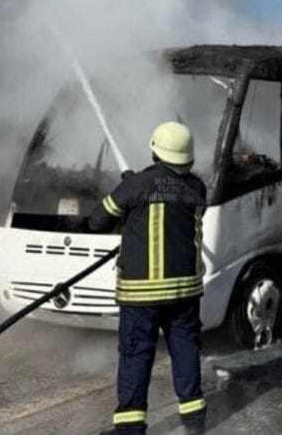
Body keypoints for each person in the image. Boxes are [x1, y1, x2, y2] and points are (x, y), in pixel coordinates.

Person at [83, 122, 208, 435]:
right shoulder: (197, 188)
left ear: (155, 150)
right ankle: (195, 422)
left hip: (141, 295)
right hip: (185, 293)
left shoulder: (137, 185)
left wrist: (128, 191)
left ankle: (130, 429)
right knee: (185, 351)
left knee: (136, 355)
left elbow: (97, 222)